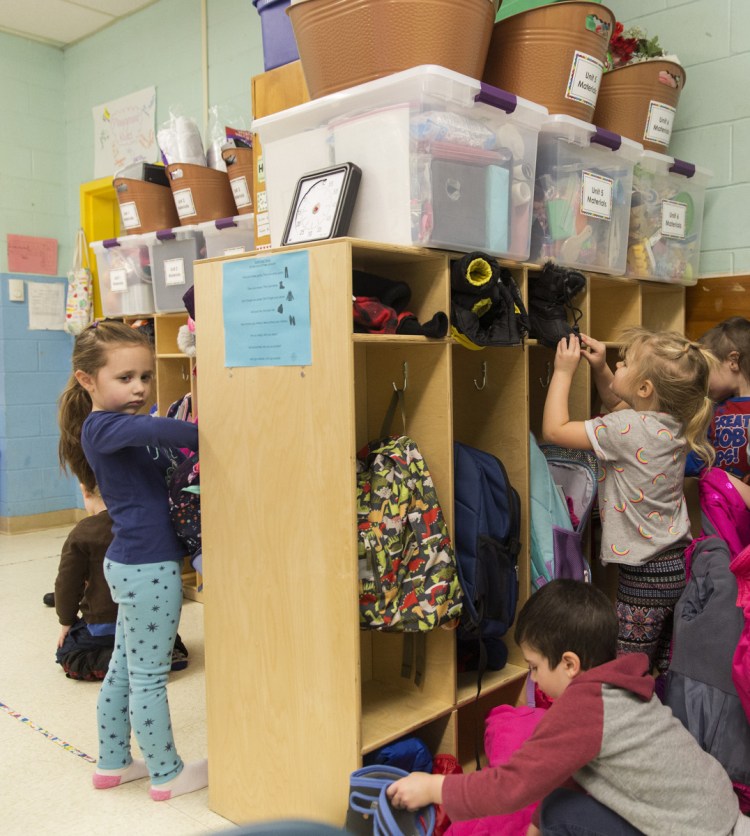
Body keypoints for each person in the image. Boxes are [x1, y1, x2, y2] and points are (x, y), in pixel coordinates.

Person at [386, 579, 750, 836]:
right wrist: (537, 823)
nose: (534, 681)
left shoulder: (584, 705)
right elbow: (574, 765)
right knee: (555, 807)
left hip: (699, 829)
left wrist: (436, 788)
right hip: (719, 812)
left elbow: (511, 786)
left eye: (534, 667)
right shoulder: (619, 683)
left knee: (561, 812)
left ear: (570, 664)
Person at [58, 319, 205, 801]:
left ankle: (115, 762)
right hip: (148, 569)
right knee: (148, 676)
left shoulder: (113, 428)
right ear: (87, 380)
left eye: (145, 376)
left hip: (133, 564)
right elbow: (163, 428)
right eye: (125, 378)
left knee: (124, 667)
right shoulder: (105, 426)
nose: (140, 387)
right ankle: (166, 772)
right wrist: (219, 423)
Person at [539, 328, 715, 673]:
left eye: (625, 363)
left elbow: (555, 430)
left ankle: (626, 723)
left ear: (645, 389)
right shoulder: (674, 423)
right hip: (675, 568)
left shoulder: (626, 428)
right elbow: (620, 402)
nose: (619, 363)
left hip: (643, 580)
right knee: (659, 670)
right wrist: (602, 368)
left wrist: (562, 372)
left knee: (625, 672)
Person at [54, 482, 189, 681]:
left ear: (85, 490)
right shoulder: (144, 523)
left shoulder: (82, 532)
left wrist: (66, 621)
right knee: (161, 636)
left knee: (67, 653)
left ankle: (120, 660)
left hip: (102, 624)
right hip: (149, 619)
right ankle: (163, 653)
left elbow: (67, 583)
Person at [686, 316, 750, 496]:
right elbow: (703, 455)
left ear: (733, 361)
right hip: (721, 503)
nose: (703, 381)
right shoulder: (717, 409)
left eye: (707, 370)